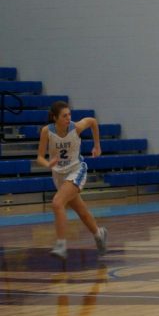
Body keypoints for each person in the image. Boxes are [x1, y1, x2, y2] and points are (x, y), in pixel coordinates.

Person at [36, 101, 108, 260]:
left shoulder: (76, 127)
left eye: (69, 114)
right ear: (55, 118)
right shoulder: (47, 131)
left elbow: (93, 122)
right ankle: (99, 233)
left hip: (76, 170)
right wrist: (48, 163)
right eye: (64, 116)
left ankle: (61, 245)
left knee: (57, 203)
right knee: (81, 211)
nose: (68, 118)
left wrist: (97, 146)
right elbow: (39, 157)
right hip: (59, 174)